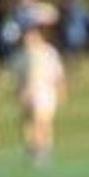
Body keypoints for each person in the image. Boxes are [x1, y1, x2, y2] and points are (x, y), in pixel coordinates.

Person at [15, 24, 65, 165]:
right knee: (27, 122)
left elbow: (57, 73)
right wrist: (19, 91)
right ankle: (33, 147)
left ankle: (42, 149)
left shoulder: (49, 52)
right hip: (28, 92)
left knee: (42, 121)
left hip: (45, 91)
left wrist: (61, 90)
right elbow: (19, 76)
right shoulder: (21, 55)